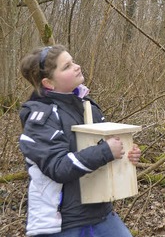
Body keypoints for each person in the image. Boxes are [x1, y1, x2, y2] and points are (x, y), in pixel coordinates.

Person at [18, 45, 141, 237]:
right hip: (60, 224)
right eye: (66, 66)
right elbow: (58, 167)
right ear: (48, 83)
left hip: (101, 215)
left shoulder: (88, 107)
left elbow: (101, 153)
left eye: (73, 61)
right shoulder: (40, 118)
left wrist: (126, 155)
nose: (76, 67)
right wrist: (106, 151)